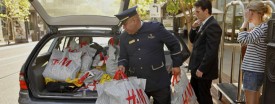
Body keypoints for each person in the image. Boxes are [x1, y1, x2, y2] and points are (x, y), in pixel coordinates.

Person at [115, 6, 184, 104]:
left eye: (125, 24)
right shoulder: (124, 37)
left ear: (134, 20)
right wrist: (121, 65)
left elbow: (174, 44)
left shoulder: (155, 28)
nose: (124, 28)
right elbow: (123, 57)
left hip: (159, 81)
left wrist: (176, 64)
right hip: (137, 84)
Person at [237, 1, 272, 104]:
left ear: (260, 13)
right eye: (248, 13)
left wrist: (245, 21)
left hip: (253, 71)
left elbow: (241, 39)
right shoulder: (259, 28)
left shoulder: (262, 28)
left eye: (251, 13)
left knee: (250, 102)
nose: (249, 16)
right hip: (254, 71)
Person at [188, 0, 222, 104]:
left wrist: (202, 68)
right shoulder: (203, 23)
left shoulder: (213, 25)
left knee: (204, 96)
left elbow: (211, 51)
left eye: (197, 11)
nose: (195, 14)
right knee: (194, 92)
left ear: (206, 11)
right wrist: (193, 28)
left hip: (203, 70)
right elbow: (193, 40)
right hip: (197, 68)